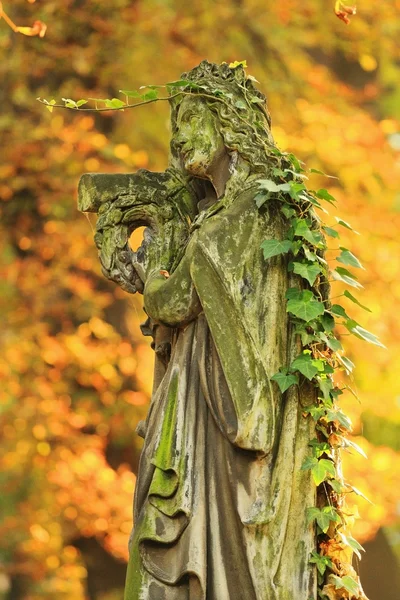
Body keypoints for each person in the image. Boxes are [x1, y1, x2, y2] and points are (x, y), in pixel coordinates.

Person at [123, 61, 316, 600]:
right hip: (197, 401)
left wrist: (157, 283)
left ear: (228, 121)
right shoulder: (222, 211)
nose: (179, 135)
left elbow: (181, 293)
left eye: (189, 118)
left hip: (226, 414)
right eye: (174, 125)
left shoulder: (256, 204)